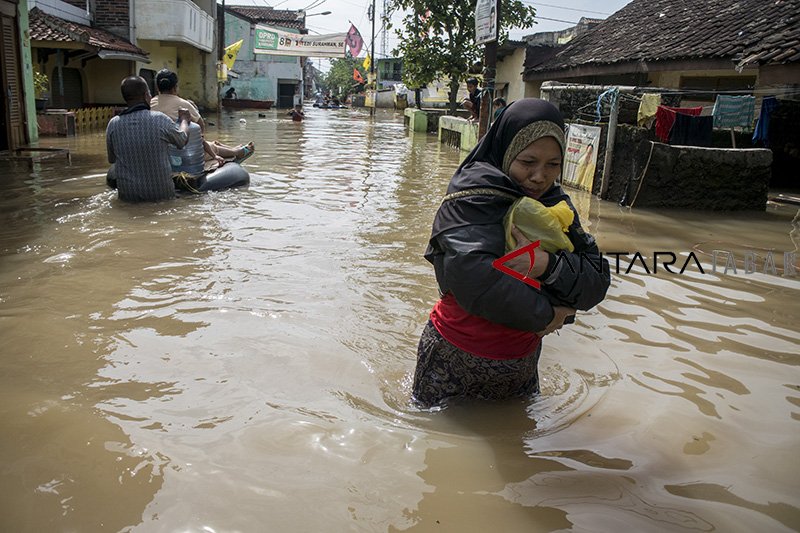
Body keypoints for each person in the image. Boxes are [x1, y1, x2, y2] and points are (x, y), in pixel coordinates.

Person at [412, 98, 611, 409]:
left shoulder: (555, 206)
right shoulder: (472, 198)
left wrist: (546, 265)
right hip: (454, 359)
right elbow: (473, 278)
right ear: (505, 152)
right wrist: (551, 315)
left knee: (517, 444)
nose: (539, 177)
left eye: (553, 165)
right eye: (527, 162)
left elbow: (597, 279)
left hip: (521, 363)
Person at [106, 76, 191, 202]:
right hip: (162, 196)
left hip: (129, 199)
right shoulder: (160, 119)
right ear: (146, 96)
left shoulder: (113, 124)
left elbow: (112, 159)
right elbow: (182, 140)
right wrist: (184, 120)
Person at [150, 69, 253, 166]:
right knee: (211, 147)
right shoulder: (184, 104)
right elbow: (201, 127)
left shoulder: (150, 103)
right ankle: (237, 151)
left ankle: (230, 148)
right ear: (175, 87)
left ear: (157, 88)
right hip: (181, 154)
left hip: (155, 151)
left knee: (209, 143)